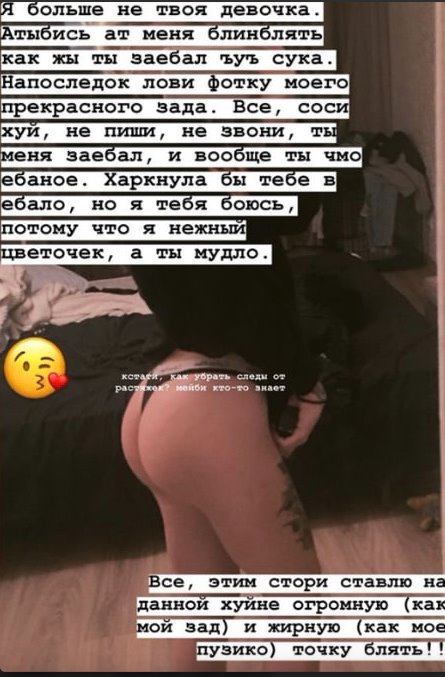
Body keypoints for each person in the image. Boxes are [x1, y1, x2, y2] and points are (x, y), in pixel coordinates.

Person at [121, 237, 326, 672]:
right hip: (208, 408)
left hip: (163, 390)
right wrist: (305, 378)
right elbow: (245, 292)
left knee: (201, 607)